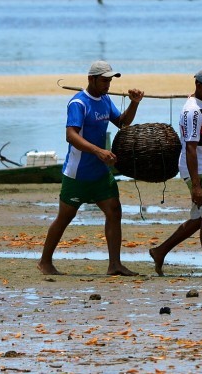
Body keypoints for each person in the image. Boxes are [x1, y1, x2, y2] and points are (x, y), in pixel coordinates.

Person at [38, 60, 144, 276]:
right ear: (91, 79)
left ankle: (114, 265)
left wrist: (134, 103)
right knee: (65, 217)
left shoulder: (105, 100)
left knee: (114, 211)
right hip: (78, 173)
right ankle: (45, 262)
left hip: (100, 173)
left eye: (110, 80)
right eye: (104, 80)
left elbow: (122, 123)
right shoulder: (78, 103)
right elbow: (71, 135)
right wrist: (98, 151)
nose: (108, 85)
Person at [149, 67, 202, 277]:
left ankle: (160, 251)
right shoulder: (191, 111)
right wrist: (195, 184)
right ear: (199, 86)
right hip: (197, 170)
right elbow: (191, 148)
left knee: (200, 219)